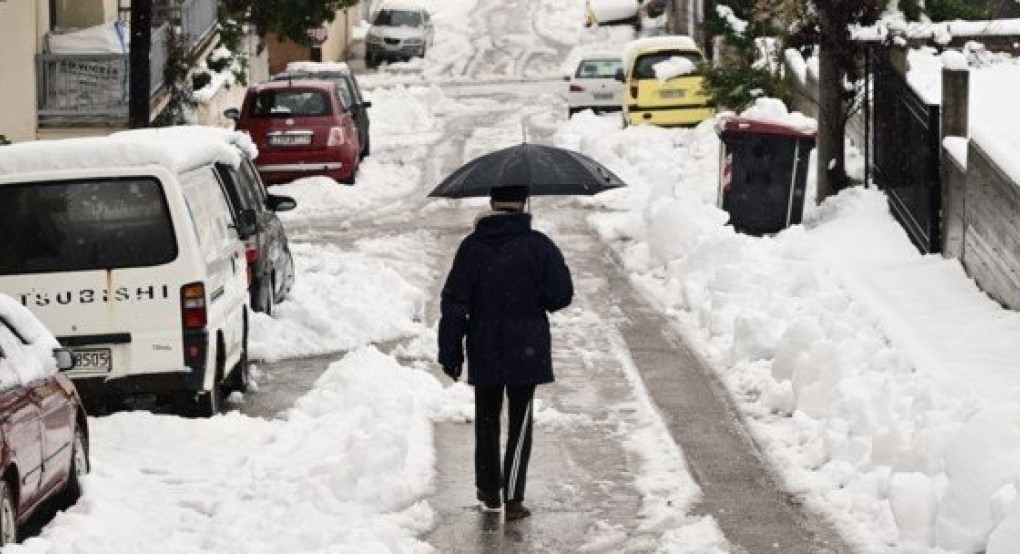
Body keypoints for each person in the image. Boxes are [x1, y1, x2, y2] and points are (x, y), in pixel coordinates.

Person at [437, 184, 574, 521]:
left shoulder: (472, 248)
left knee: (486, 418)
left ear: (492, 203)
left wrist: (450, 351)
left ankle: (489, 491)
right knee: (520, 421)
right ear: (523, 203)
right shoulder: (539, 246)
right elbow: (561, 296)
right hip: (527, 347)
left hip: (484, 344)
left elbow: (454, 303)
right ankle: (514, 498)